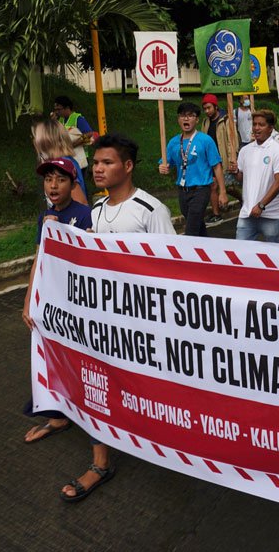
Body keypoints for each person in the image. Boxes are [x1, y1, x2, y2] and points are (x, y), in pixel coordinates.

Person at [57, 133, 174, 503]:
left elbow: (171, 269)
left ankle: (166, 444)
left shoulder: (150, 209)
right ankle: (100, 461)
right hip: (102, 324)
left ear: (127, 166)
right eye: (95, 163)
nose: (98, 169)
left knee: (148, 388)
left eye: (107, 162)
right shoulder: (95, 210)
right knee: (97, 385)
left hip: (143, 323)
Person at [20, 157, 93, 444]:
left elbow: (90, 260)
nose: (53, 185)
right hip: (51, 299)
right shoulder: (44, 217)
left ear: (73, 185)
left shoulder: (86, 215)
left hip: (78, 301)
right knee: (50, 353)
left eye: (61, 179)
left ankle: (88, 412)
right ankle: (56, 415)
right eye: (48, 179)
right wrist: (28, 300)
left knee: (81, 358)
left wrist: (60, 233)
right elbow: (39, 259)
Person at [159, 102, 227, 237]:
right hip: (183, 190)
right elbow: (166, 163)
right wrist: (163, 167)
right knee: (198, 225)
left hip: (201, 189)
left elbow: (216, 165)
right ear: (178, 119)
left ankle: (187, 253)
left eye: (190, 116)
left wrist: (222, 192)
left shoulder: (205, 140)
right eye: (183, 116)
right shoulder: (173, 142)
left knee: (191, 229)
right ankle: (205, 250)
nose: (186, 119)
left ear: (196, 120)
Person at [236, 109, 279, 243]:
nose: (256, 128)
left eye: (261, 125)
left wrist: (261, 205)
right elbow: (241, 179)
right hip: (247, 213)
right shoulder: (245, 150)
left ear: (271, 128)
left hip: (270, 214)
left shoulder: (278, 151)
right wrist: (235, 171)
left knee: (273, 254)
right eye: (254, 124)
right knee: (240, 252)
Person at [31, 119, 89, 206]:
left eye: (36, 137)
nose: (34, 141)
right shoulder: (54, 162)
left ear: (45, 141)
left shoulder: (64, 165)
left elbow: (81, 203)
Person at [201, 93, 237, 223]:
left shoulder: (226, 120)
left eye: (209, 108)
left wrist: (232, 157)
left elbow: (231, 141)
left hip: (223, 158)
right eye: (204, 108)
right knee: (213, 185)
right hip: (210, 159)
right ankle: (216, 214)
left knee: (229, 187)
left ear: (215, 107)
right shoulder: (205, 122)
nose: (207, 111)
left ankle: (243, 199)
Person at [52, 95, 94, 168]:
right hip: (67, 156)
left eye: (59, 109)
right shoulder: (61, 120)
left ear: (67, 108)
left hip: (81, 157)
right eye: (55, 110)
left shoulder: (78, 118)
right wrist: (53, 122)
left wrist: (73, 145)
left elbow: (89, 134)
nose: (57, 112)